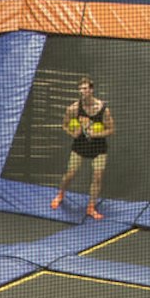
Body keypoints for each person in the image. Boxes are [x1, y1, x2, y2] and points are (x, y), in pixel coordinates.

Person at [51, 76, 113, 221]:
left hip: (99, 147)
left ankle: (91, 207)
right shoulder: (73, 109)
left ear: (91, 90)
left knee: (97, 177)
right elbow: (64, 125)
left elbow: (111, 130)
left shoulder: (103, 109)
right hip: (79, 146)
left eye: (85, 88)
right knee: (70, 174)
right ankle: (60, 194)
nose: (82, 91)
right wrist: (73, 133)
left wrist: (97, 134)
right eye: (80, 89)